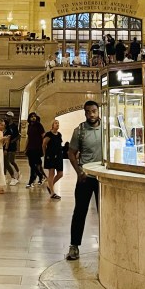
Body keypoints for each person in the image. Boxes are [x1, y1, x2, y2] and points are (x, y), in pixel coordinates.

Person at [66, 100, 102, 261]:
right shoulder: (79, 130)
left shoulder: (107, 129)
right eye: (88, 112)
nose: (91, 114)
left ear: (98, 111)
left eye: (94, 111)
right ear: (85, 113)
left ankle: (108, 243)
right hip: (86, 178)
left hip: (103, 178)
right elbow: (71, 153)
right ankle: (74, 246)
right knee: (80, 211)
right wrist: (79, 171)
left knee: (106, 212)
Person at [42, 119, 64, 199]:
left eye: (58, 123)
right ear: (52, 125)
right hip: (50, 155)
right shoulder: (48, 134)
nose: (57, 124)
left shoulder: (59, 134)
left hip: (58, 155)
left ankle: (49, 185)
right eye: (56, 123)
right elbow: (44, 145)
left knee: (60, 174)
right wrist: (45, 154)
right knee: (51, 174)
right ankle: (52, 192)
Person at [25, 112, 46, 187]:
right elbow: (28, 137)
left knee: (36, 164)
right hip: (30, 147)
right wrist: (25, 147)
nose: (33, 118)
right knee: (31, 164)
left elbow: (43, 135)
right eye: (31, 116)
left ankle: (31, 181)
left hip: (37, 147)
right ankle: (40, 176)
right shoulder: (29, 126)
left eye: (34, 116)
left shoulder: (39, 125)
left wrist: (44, 146)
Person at [2, 111, 20, 185]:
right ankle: (4, 176)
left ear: (11, 117)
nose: (6, 117)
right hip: (5, 146)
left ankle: (17, 173)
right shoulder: (5, 125)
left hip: (12, 146)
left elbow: (18, 135)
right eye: (6, 116)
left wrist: (13, 141)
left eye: (8, 116)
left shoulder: (14, 126)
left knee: (11, 161)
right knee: (5, 162)